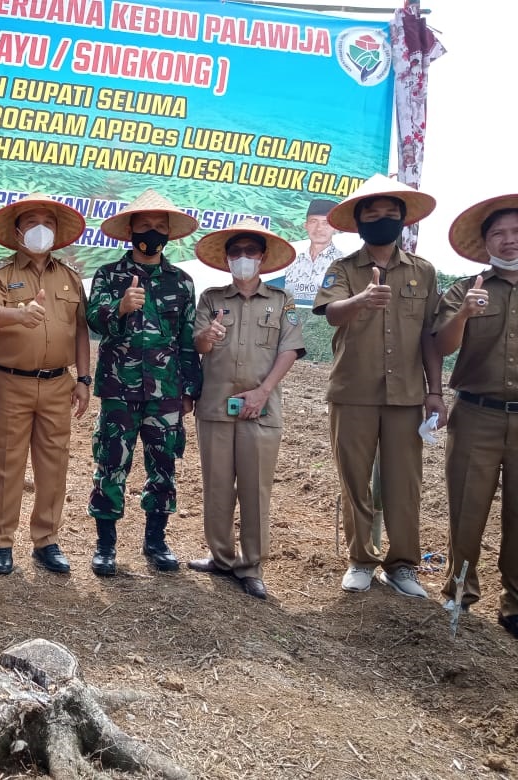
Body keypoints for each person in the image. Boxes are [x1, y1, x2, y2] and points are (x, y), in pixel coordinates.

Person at [312, 174, 445, 597]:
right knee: (354, 480)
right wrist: (361, 300)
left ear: (403, 221)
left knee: (404, 483)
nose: (382, 219)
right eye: (373, 213)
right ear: (359, 221)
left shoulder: (423, 272)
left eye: (391, 213)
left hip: (406, 395)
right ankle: (362, 560)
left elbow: (430, 335)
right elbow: (331, 313)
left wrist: (435, 391)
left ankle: (403, 565)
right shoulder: (342, 268)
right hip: (353, 393)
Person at [85, 189, 201, 577]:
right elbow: (93, 321)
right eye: (144, 225)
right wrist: (119, 307)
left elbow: (187, 339)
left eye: (159, 226)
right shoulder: (108, 275)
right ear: (130, 230)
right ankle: (105, 546)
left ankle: (156, 541)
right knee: (111, 464)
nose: (152, 231)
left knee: (164, 465)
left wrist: (190, 389)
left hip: (166, 391)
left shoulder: (182, 282)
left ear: (169, 234)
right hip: (120, 389)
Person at [0, 194, 90, 575]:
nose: (42, 228)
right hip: (11, 382)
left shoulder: (70, 277)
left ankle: (46, 540)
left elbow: (82, 331)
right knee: (5, 463)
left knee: (53, 465)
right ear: (19, 231)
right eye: (33, 221)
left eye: (49, 222)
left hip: (59, 384)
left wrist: (84, 379)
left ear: (56, 232)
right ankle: (2, 541)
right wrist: (18, 314)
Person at [189, 219, 305, 599]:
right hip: (216, 407)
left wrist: (263, 392)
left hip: (261, 409)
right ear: (226, 259)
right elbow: (199, 344)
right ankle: (221, 557)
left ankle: (251, 564)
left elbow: (289, 349)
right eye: (236, 252)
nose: (243, 258)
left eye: (250, 252)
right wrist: (207, 336)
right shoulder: (211, 299)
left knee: (255, 488)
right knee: (218, 486)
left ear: (263, 258)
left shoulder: (281, 301)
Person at [434, 194, 518, 639]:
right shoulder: (465, 289)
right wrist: (465, 313)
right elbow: (442, 346)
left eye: (515, 233)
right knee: (467, 509)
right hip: (476, 414)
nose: (508, 241)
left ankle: (515, 602)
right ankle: (460, 591)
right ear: (485, 242)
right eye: (498, 234)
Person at [282, 198, 344, 306]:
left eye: (326, 223)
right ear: (305, 225)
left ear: (335, 228)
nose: (319, 228)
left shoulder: (343, 263)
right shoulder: (291, 261)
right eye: (313, 221)